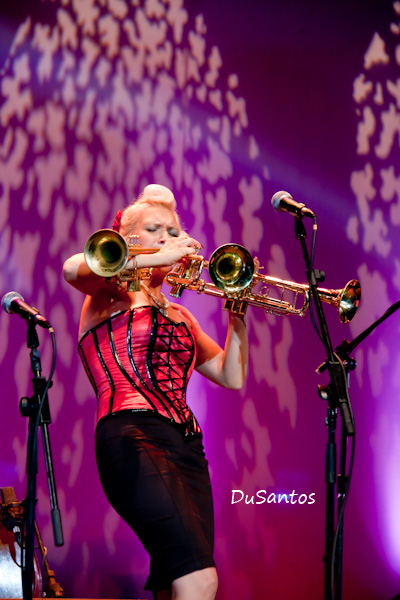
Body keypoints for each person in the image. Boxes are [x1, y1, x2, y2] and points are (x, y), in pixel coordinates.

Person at [63, 184, 249, 600]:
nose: (168, 237)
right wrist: (158, 257)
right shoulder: (108, 294)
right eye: (155, 229)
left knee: (173, 581)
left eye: (173, 230)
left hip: (187, 449)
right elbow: (72, 268)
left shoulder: (180, 313)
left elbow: (230, 375)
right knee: (200, 578)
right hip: (131, 434)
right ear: (128, 240)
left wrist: (238, 313)